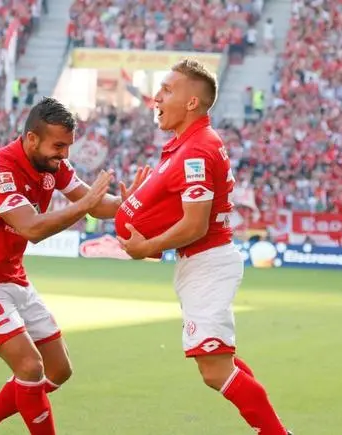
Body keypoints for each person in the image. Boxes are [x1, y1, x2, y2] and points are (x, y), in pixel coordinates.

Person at [0, 97, 149, 435]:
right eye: (58, 146)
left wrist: (127, 202)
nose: (65, 154)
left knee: (59, 369)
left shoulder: (52, 166)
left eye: (68, 146)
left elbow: (97, 204)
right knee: (30, 366)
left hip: (14, 279)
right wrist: (85, 204)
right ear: (31, 139)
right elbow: (31, 228)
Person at [116, 60, 292, 435]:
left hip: (208, 263)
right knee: (220, 361)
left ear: (192, 102)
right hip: (201, 263)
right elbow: (179, 211)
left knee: (214, 370)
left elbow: (195, 224)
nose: (157, 97)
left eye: (167, 89)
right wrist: (141, 211)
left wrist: (147, 245)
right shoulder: (187, 145)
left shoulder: (196, 150)